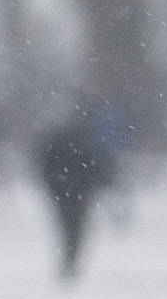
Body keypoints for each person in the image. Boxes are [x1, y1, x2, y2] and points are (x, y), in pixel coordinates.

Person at [36, 96, 124, 281]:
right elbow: (93, 165)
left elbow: (48, 167)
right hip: (74, 192)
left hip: (72, 191)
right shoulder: (79, 141)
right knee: (74, 227)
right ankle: (70, 260)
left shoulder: (64, 142)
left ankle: (70, 260)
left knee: (71, 227)